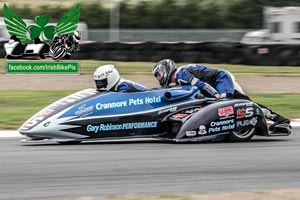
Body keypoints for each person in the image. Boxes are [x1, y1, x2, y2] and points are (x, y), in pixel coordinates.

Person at [152, 59, 290, 130]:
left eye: (158, 75)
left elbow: (202, 85)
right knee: (243, 101)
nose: (159, 78)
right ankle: (273, 121)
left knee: (227, 103)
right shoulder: (179, 79)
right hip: (218, 82)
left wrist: (216, 95)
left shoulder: (181, 74)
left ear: (166, 69)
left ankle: (277, 119)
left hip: (221, 78)